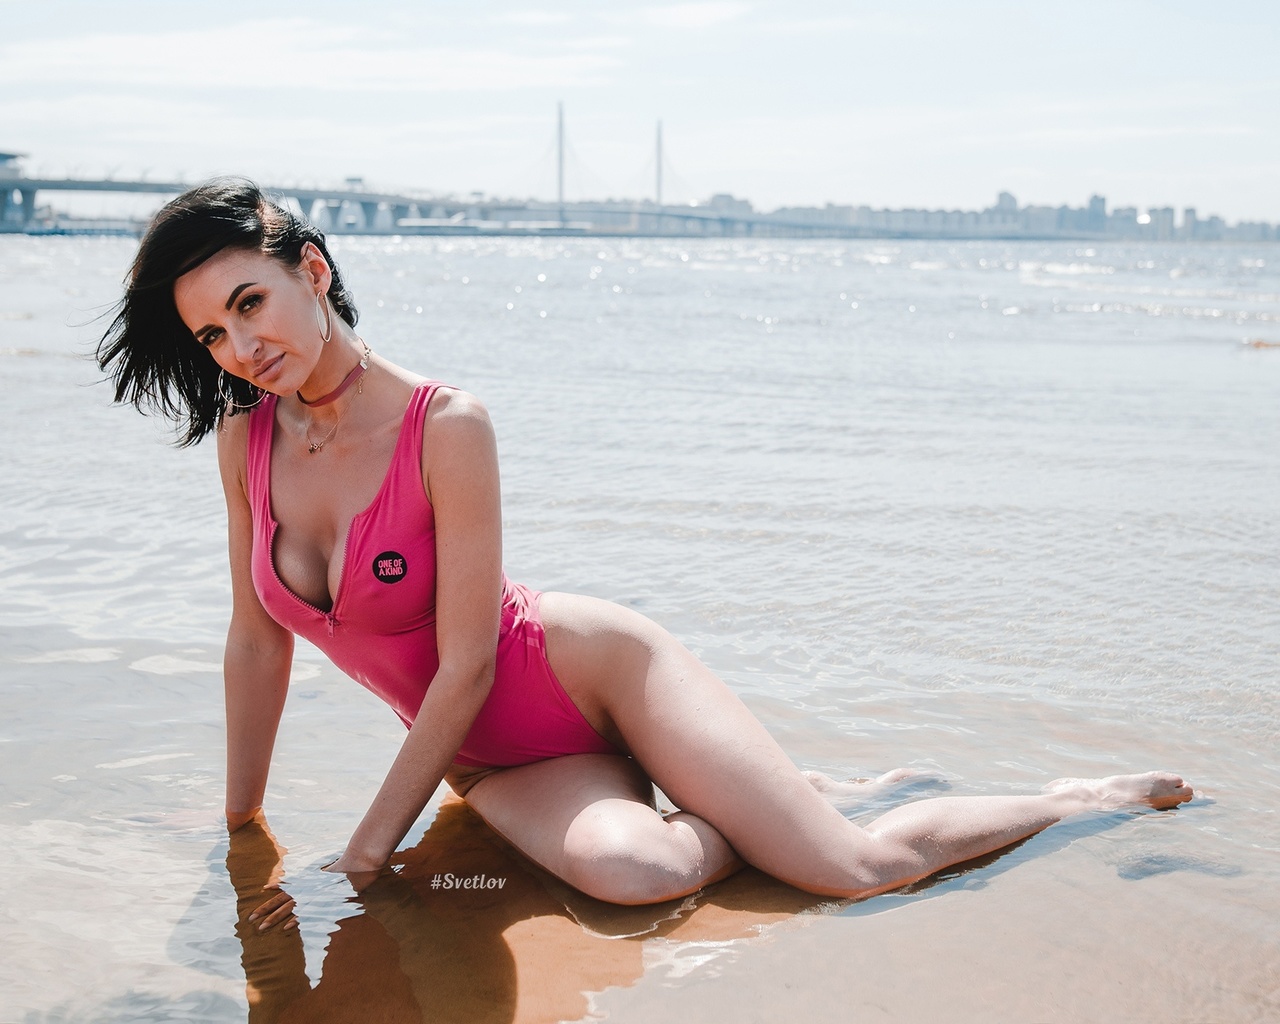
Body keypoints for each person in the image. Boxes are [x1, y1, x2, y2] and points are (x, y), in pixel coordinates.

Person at [97, 179, 1192, 928]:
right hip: (494, 757)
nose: (245, 348)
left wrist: (367, 848)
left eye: (251, 303)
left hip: (589, 673)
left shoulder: (446, 423)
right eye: (213, 334)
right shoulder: (244, 441)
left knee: (851, 874)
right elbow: (255, 642)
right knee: (638, 874)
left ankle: (1075, 797)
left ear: (315, 271)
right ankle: (770, 794)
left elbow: (468, 662)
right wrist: (240, 821)